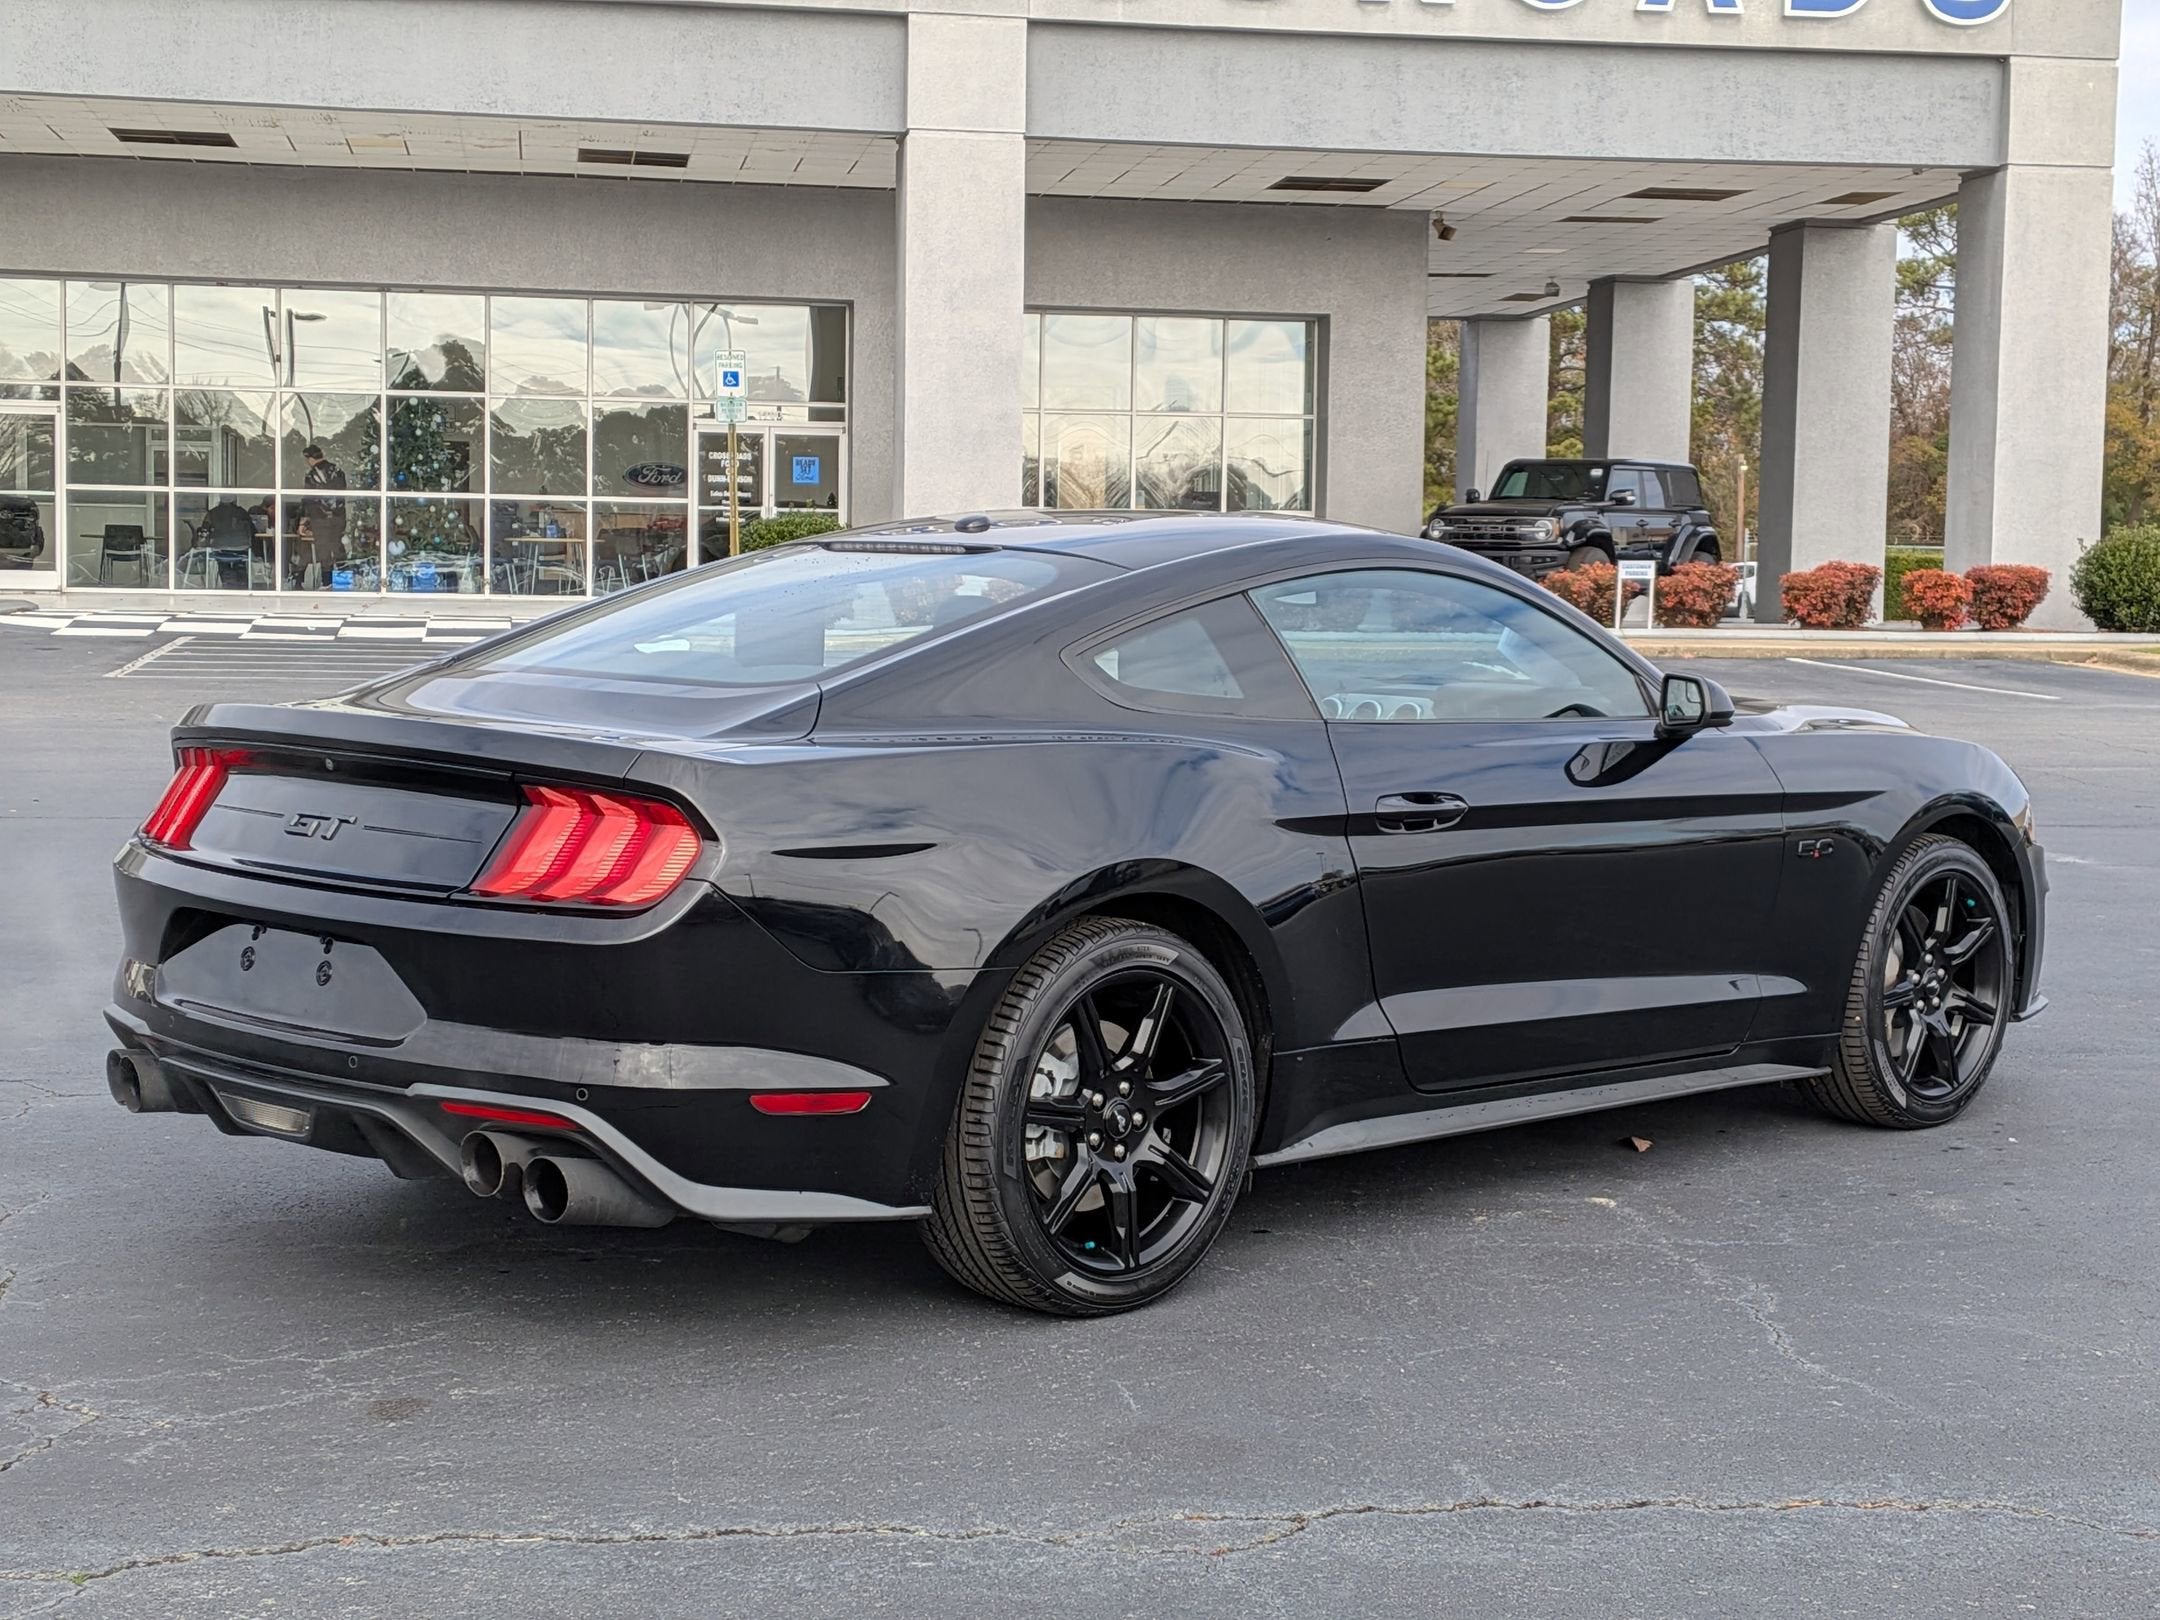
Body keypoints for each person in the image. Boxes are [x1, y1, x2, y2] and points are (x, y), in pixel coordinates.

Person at [299, 444, 348, 579]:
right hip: (338, 517)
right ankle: (345, 580)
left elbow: (308, 500)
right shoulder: (337, 471)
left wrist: (303, 522)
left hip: (320, 518)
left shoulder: (312, 475)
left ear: (309, 458)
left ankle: (327, 581)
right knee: (338, 547)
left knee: (324, 551)